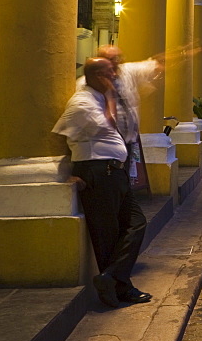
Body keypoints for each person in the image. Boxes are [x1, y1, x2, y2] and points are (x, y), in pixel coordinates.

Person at [53, 58, 150, 307]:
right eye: (109, 73)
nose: (115, 76)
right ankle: (118, 290)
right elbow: (107, 124)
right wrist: (110, 95)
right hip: (99, 172)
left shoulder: (97, 97)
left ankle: (110, 277)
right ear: (96, 76)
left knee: (136, 224)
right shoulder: (82, 102)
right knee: (107, 235)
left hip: (113, 172)